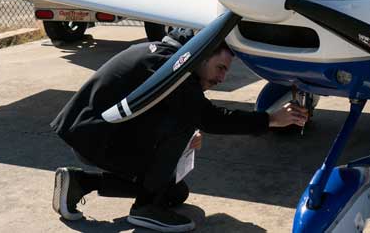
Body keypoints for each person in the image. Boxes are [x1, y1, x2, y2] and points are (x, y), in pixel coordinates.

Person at [50, 28, 308, 232]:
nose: (221, 79)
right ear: (203, 55)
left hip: (97, 138)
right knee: (185, 123)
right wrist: (270, 119)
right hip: (95, 140)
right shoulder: (171, 68)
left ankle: (81, 182)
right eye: (220, 68)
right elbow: (210, 118)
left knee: (175, 192)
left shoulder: (165, 57)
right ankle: (145, 208)